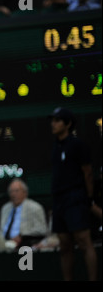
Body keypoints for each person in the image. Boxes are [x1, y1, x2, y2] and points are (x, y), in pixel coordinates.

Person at [49, 107, 97, 281]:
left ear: (68, 124)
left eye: (57, 120)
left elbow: (88, 172)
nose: (53, 124)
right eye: (52, 120)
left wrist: (88, 199)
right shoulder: (55, 147)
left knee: (84, 242)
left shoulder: (77, 145)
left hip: (75, 198)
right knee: (64, 245)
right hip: (59, 200)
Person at [0, 178, 48, 247]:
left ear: (25, 193)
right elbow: (1, 230)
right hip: (4, 244)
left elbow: (42, 230)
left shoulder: (35, 207)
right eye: (11, 191)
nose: (13, 194)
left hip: (25, 244)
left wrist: (22, 236)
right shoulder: (5, 208)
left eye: (17, 191)